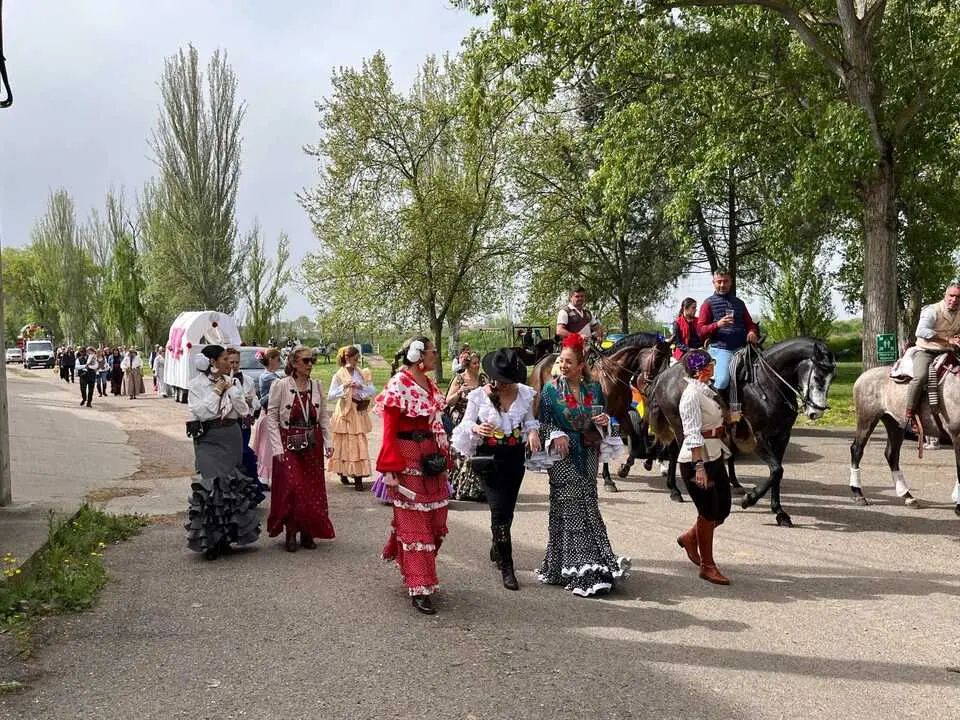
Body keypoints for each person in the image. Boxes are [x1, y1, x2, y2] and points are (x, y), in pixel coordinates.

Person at [536, 334, 629, 597]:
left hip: (588, 452)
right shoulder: (550, 391)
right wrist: (556, 433)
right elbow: (541, 425)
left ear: (580, 365)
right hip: (563, 456)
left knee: (588, 502)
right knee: (569, 505)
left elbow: (606, 422)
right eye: (561, 361)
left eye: (568, 362)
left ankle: (577, 563)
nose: (563, 366)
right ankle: (581, 568)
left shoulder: (595, 389)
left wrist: (604, 420)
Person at [451, 348, 540, 590]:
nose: (502, 385)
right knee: (499, 511)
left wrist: (532, 432)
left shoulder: (524, 394)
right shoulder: (479, 396)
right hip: (489, 457)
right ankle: (508, 566)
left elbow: (530, 420)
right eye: (499, 380)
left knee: (508, 511)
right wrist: (475, 429)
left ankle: (497, 544)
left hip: (514, 457)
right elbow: (467, 421)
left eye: (507, 381)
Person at [374, 337, 450, 615]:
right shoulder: (399, 384)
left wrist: (445, 451)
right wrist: (389, 468)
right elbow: (389, 429)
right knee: (416, 523)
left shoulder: (429, 384)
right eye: (432, 351)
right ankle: (420, 587)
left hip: (431, 457)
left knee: (436, 521)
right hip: (407, 457)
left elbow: (435, 421)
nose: (436, 355)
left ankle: (410, 560)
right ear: (419, 355)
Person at [184, 345, 262, 560]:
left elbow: (244, 411)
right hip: (209, 438)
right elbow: (201, 412)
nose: (230, 362)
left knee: (230, 486)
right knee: (211, 486)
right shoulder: (196, 385)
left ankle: (227, 537)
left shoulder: (234, 381)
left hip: (231, 434)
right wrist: (217, 390)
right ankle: (210, 540)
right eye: (226, 359)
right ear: (212, 361)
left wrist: (230, 389)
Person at [265, 346, 335, 552]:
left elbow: (323, 417)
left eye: (312, 360)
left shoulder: (317, 385)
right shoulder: (281, 385)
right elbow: (272, 417)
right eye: (305, 361)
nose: (310, 365)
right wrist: (276, 447)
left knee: (311, 489)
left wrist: (329, 442)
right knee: (293, 487)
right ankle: (290, 531)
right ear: (294, 363)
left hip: (312, 443)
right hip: (288, 442)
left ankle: (307, 532)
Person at [675, 349, 735, 585]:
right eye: (710, 363)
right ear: (701, 369)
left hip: (715, 453)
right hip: (696, 459)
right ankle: (707, 566)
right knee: (708, 512)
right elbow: (691, 433)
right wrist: (699, 466)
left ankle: (691, 537)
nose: (714, 366)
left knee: (723, 510)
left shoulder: (706, 391)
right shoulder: (691, 395)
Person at [904, 282, 960, 431]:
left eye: (958, 297)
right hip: (926, 351)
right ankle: (910, 413)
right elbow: (921, 331)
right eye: (951, 295)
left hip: (947, 352)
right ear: (945, 295)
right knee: (920, 377)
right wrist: (947, 339)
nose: (954, 299)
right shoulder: (932, 310)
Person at [696, 269, 759, 394]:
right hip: (721, 349)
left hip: (743, 348)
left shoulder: (739, 303)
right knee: (723, 380)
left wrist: (752, 332)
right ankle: (719, 409)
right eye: (719, 282)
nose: (722, 285)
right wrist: (717, 324)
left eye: (725, 281)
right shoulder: (708, 303)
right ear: (713, 283)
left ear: (730, 283)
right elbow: (700, 330)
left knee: (764, 371)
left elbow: (750, 324)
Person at [328, 345, 376, 491]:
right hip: (344, 412)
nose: (356, 362)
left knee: (357, 441)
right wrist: (344, 387)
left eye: (358, 359)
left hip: (357, 409)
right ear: (347, 358)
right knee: (342, 441)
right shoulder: (338, 375)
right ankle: (342, 471)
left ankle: (358, 477)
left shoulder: (362, 373)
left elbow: (373, 390)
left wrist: (361, 387)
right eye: (354, 359)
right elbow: (330, 396)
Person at [444, 351, 488, 501]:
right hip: (461, 420)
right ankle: (458, 487)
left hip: (478, 420)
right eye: (474, 363)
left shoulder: (483, 379)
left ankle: (475, 489)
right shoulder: (459, 379)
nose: (477, 366)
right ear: (467, 364)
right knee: (461, 454)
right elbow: (448, 401)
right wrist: (458, 393)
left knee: (476, 453)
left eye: (478, 363)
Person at [249, 348, 283, 488]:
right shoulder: (268, 377)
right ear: (271, 360)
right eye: (277, 359)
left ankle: (269, 477)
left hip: (272, 416)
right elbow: (282, 385)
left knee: (270, 448)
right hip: (268, 416)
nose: (280, 362)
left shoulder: (273, 375)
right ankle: (263, 478)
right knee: (267, 449)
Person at [226, 347, 259, 485]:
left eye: (237, 363)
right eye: (231, 362)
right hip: (229, 423)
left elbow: (256, 402)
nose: (234, 366)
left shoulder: (248, 380)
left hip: (244, 422)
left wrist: (250, 402)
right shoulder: (222, 380)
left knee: (244, 451)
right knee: (236, 454)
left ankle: (248, 484)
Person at [671, 297, 703, 362]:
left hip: (699, 350)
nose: (695, 310)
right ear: (685, 308)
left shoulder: (698, 321)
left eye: (695, 307)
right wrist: (689, 349)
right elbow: (677, 342)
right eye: (693, 308)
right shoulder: (677, 323)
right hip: (683, 354)